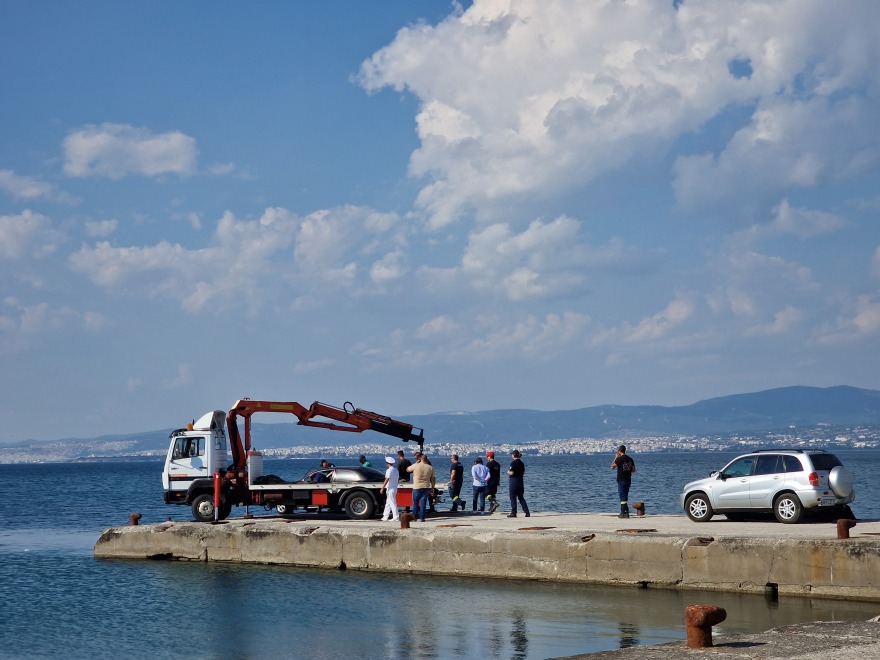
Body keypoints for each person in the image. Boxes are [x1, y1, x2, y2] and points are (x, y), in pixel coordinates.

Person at [406, 451, 435, 522]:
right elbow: (433, 479)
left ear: (420, 459)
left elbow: (407, 469)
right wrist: (432, 488)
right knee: (423, 503)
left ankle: (414, 517)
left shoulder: (416, 465)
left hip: (417, 486)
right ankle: (422, 518)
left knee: (415, 503)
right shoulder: (431, 468)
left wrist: (416, 463)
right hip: (426, 487)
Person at [611, 445, 636, 518]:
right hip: (628, 479)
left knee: (622, 495)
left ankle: (624, 512)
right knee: (625, 495)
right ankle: (626, 511)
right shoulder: (630, 459)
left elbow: (612, 466)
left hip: (621, 479)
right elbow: (634, 470)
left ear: (619, 451)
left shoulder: (619, 459)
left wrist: (616, 457)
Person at [506, 450, 530, 518]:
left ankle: (514, 512)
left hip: (514, 481)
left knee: (513, 497)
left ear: (513, 455)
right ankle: (527, 512)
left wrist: (508, 472)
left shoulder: (513, 463)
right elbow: (523, 472)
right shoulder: (521, 463)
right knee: (521, 497)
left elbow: (511, 472)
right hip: (520, 481)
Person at [380, 455, 399, 521]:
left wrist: (382, 487)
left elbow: (387, 479)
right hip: (394, 487)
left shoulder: (389, 470)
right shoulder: (396, 470)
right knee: (388, 503)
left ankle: (396, 517)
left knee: (392, 503)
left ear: (387, 463)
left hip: (390, 488)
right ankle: (385, 516)